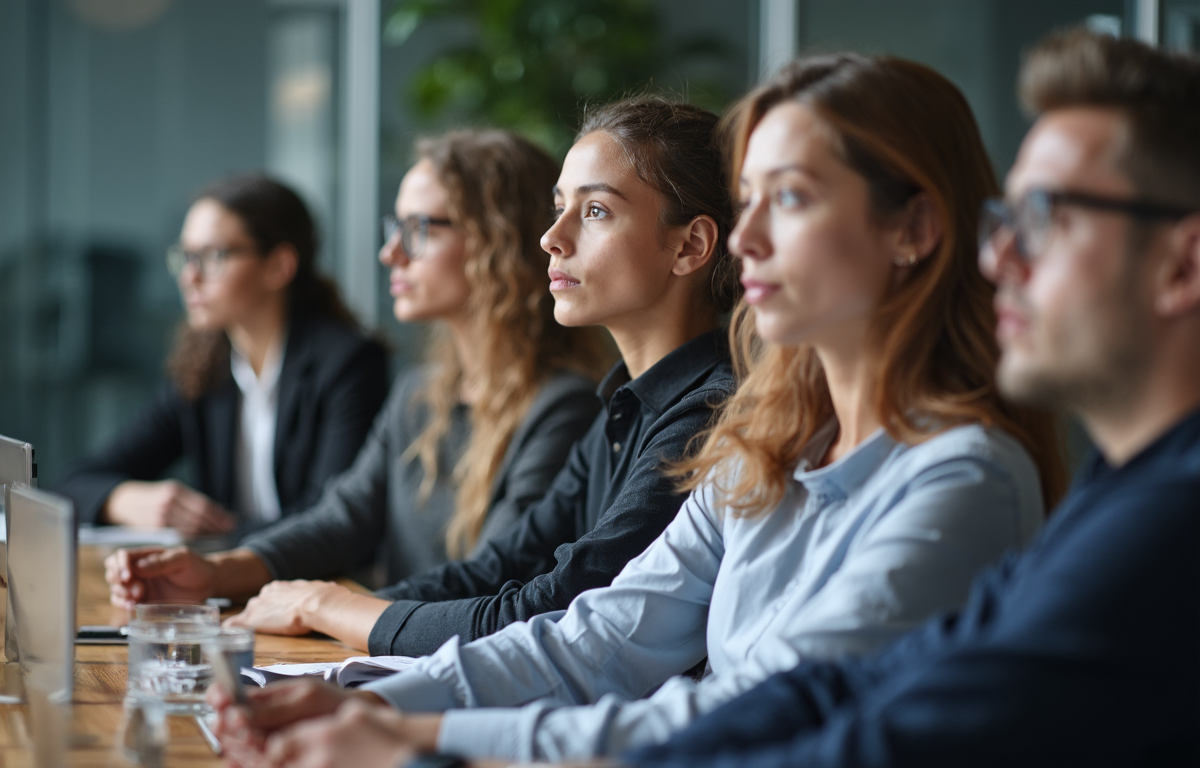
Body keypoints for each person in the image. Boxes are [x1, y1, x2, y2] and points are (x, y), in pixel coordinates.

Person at [208, 56, 1070, 768]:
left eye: (791, 198)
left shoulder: (965, 479)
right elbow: (601, 638)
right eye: (749, 199)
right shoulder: (766, 440)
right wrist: (361, 701)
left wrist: (416, 733)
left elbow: (758, 712)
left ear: (913, 229)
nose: (746, 239)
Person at [614, 29, 1200, 768]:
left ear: (1183, 267)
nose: (998, 256)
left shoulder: (1161, 521)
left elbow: (872, 743)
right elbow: (839, 689)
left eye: (1048, 216)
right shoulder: (1114, 495)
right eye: (1009, 220)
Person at [109, 98, 740, 653]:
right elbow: (493, 569)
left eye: (595, 211)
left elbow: (546, 606)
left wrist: (326, 608)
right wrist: (280, 596)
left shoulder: (691, 413)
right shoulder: (619, 409)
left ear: (690, 246)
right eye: (557, 209)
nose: (551, 238)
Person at [105, 130, 610, 610]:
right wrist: (215, 573)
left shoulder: (563, 405)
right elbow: (342, 519)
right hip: (390, 649)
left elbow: (489, 582)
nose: (391, 253)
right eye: (395, 229)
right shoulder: (420, 393)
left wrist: (325, 609)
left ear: (496, 241)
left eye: (418, 230)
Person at [56, 175, 389, 538]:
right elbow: (71, 485)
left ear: (279, 266)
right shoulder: (206, 366)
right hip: (229, 569)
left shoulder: (349, 365)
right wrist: (122, 498)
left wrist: (218, 539)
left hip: (311, 573)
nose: (189, 277)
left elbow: (332, 524)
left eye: (213, 256)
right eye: (185, 257)